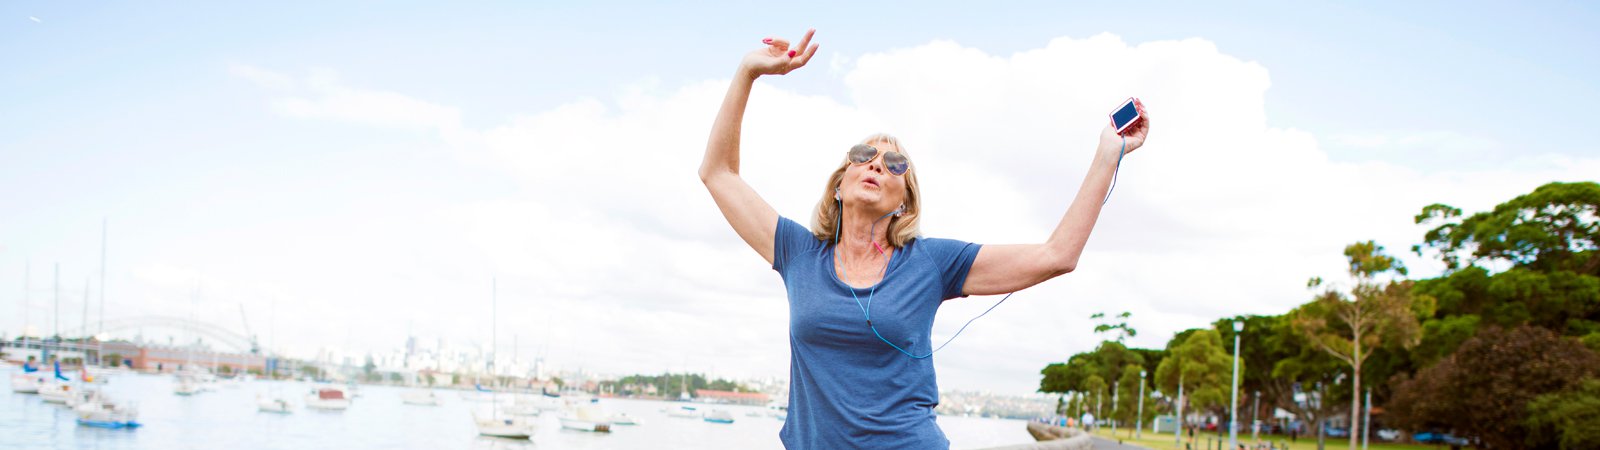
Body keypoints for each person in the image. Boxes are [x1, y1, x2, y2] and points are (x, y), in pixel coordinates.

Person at [698, 29, 1151, 449]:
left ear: (903, 203)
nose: (877, 164)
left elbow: (1057, 255)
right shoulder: (798, 253)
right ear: (839, 184)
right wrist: (747, 72)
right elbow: (717, 173)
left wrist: (1107, 154)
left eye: (895, 164)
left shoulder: (930, 261)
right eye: (863, 155)